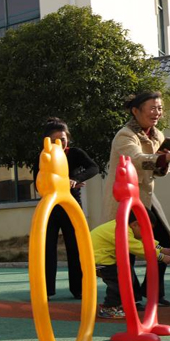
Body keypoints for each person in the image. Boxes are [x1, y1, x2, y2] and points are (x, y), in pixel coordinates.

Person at [102, 91, 170, 306]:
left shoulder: (157, 135)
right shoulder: (125, 135)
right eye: (152, 108)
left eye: (160, 108)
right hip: (124, 196)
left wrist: (165, 161)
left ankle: (153, 292)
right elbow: (136, 160)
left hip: (146, 196)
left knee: (163, 238)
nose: (157, 113)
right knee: (127, 246)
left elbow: (156, 170)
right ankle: (127, 298)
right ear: (136, 110)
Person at [31, 118, 98, 299]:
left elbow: (94, 168)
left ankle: (79, 289)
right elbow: (37, 183)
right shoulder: (43, 156)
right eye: (54, 140)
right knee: (47, 249)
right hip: (50, 207)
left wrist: (76, 179)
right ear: (46, 141)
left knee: (75, 248)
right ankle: (46, 290)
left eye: (63, 138)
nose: (60, 143)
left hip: (71, 206)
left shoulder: (75, 153)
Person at [91, 214, 170, 318]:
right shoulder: (121, 230)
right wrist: (160, 256)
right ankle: (108, 308)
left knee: (127, 277)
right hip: (98, 262)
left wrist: (160, 248)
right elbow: (138, 248)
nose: (148, 233)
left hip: (104, 260)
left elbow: (143, 240)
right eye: (147, 229)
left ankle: (117, 304)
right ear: (135, 224)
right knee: (119, 281)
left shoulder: (124, 226)